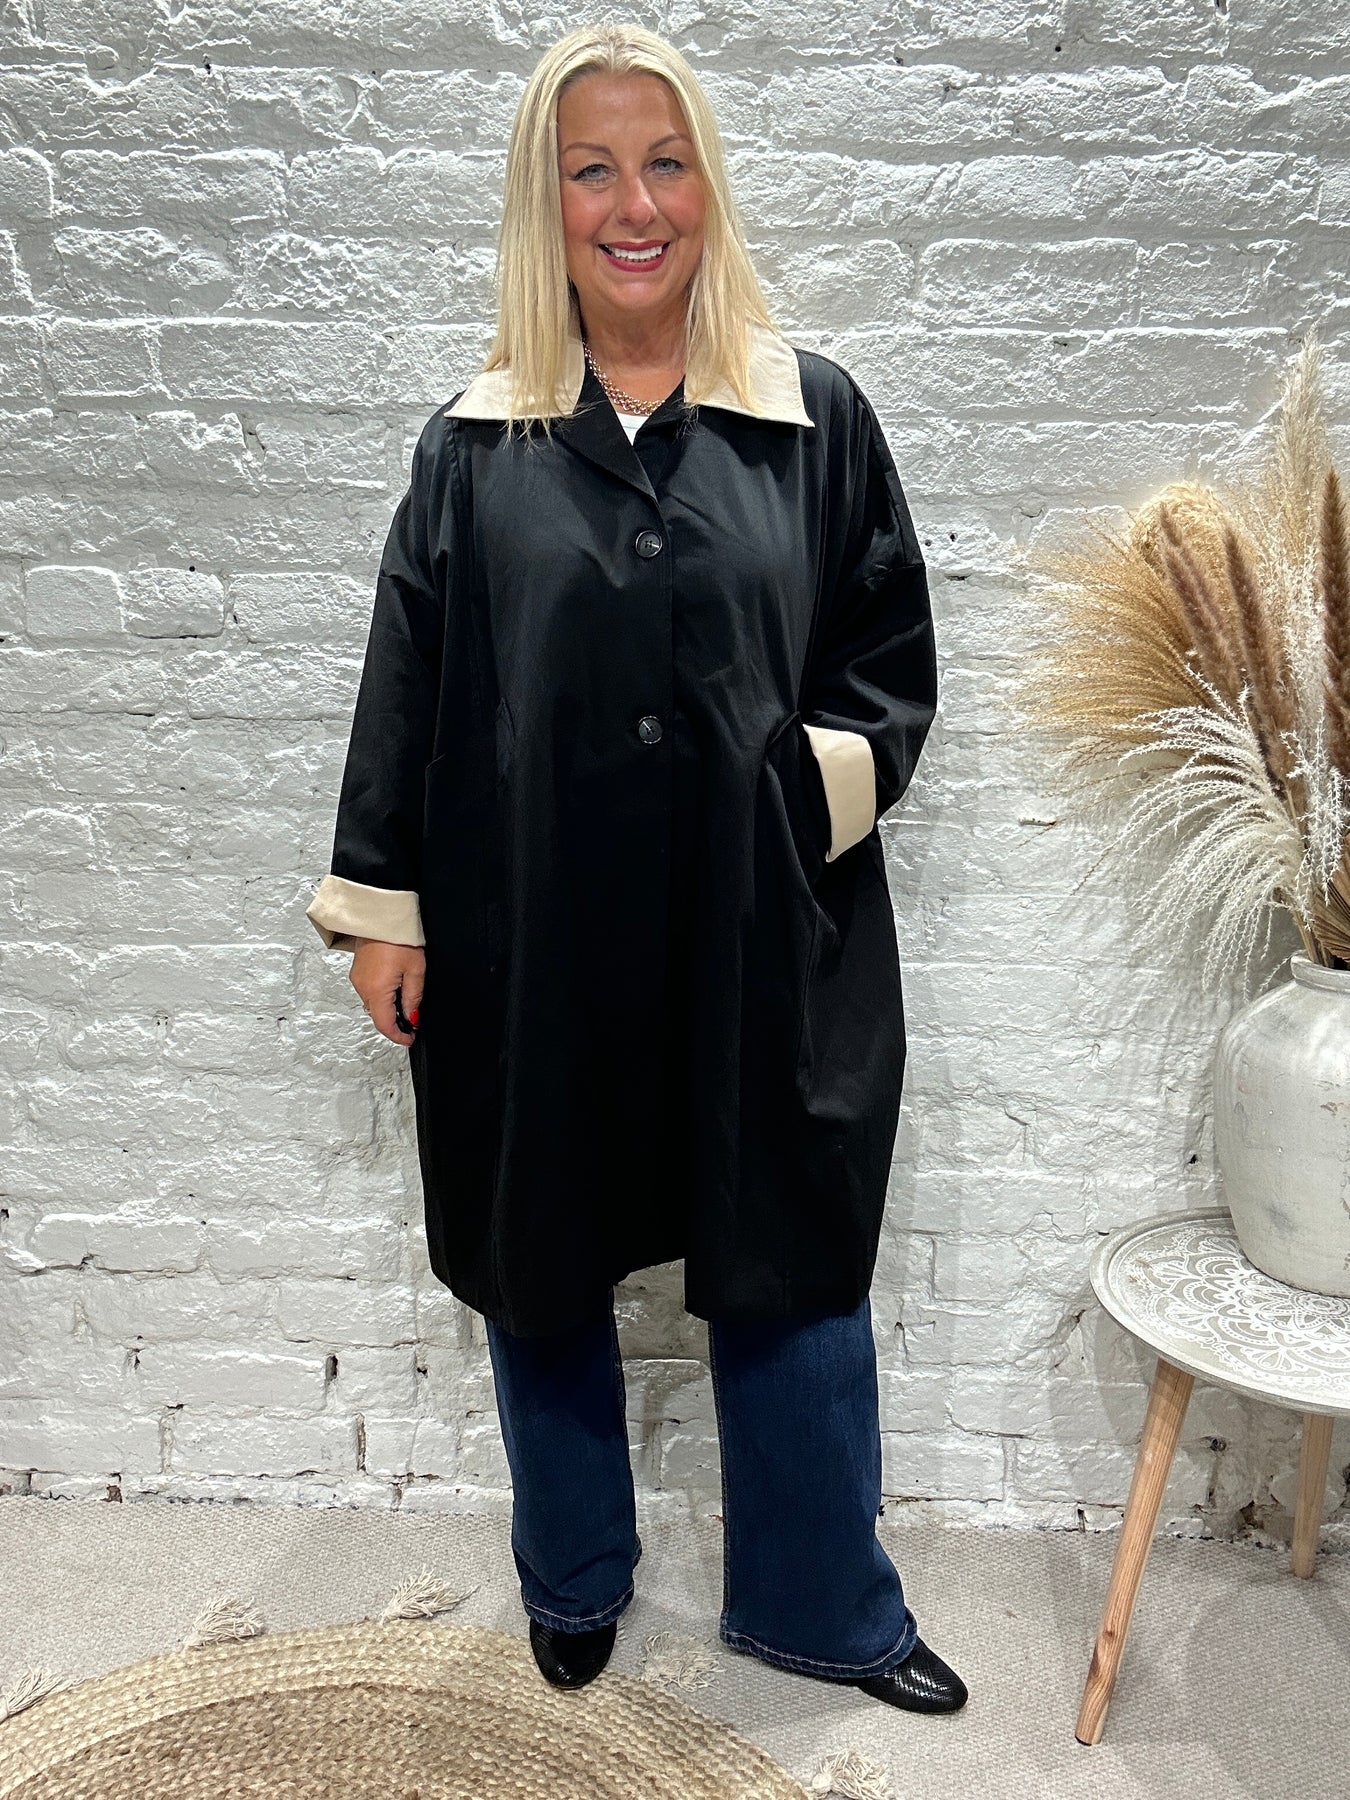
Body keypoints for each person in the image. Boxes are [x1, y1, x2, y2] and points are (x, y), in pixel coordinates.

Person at [305, 22, 963, 1714]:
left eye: (663, 164)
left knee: (791, 1246)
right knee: (540, 1243)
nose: (632, 205)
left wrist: (792, 805)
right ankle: (575, 1574)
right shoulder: (473, 449)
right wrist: (384, 909)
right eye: (589, 169)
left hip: (763, 926)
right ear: (545, 203)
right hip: (533, 928)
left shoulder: (813, 420)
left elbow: (885, 663)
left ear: (706, 188)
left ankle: (823, 1604)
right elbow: (406, 684)